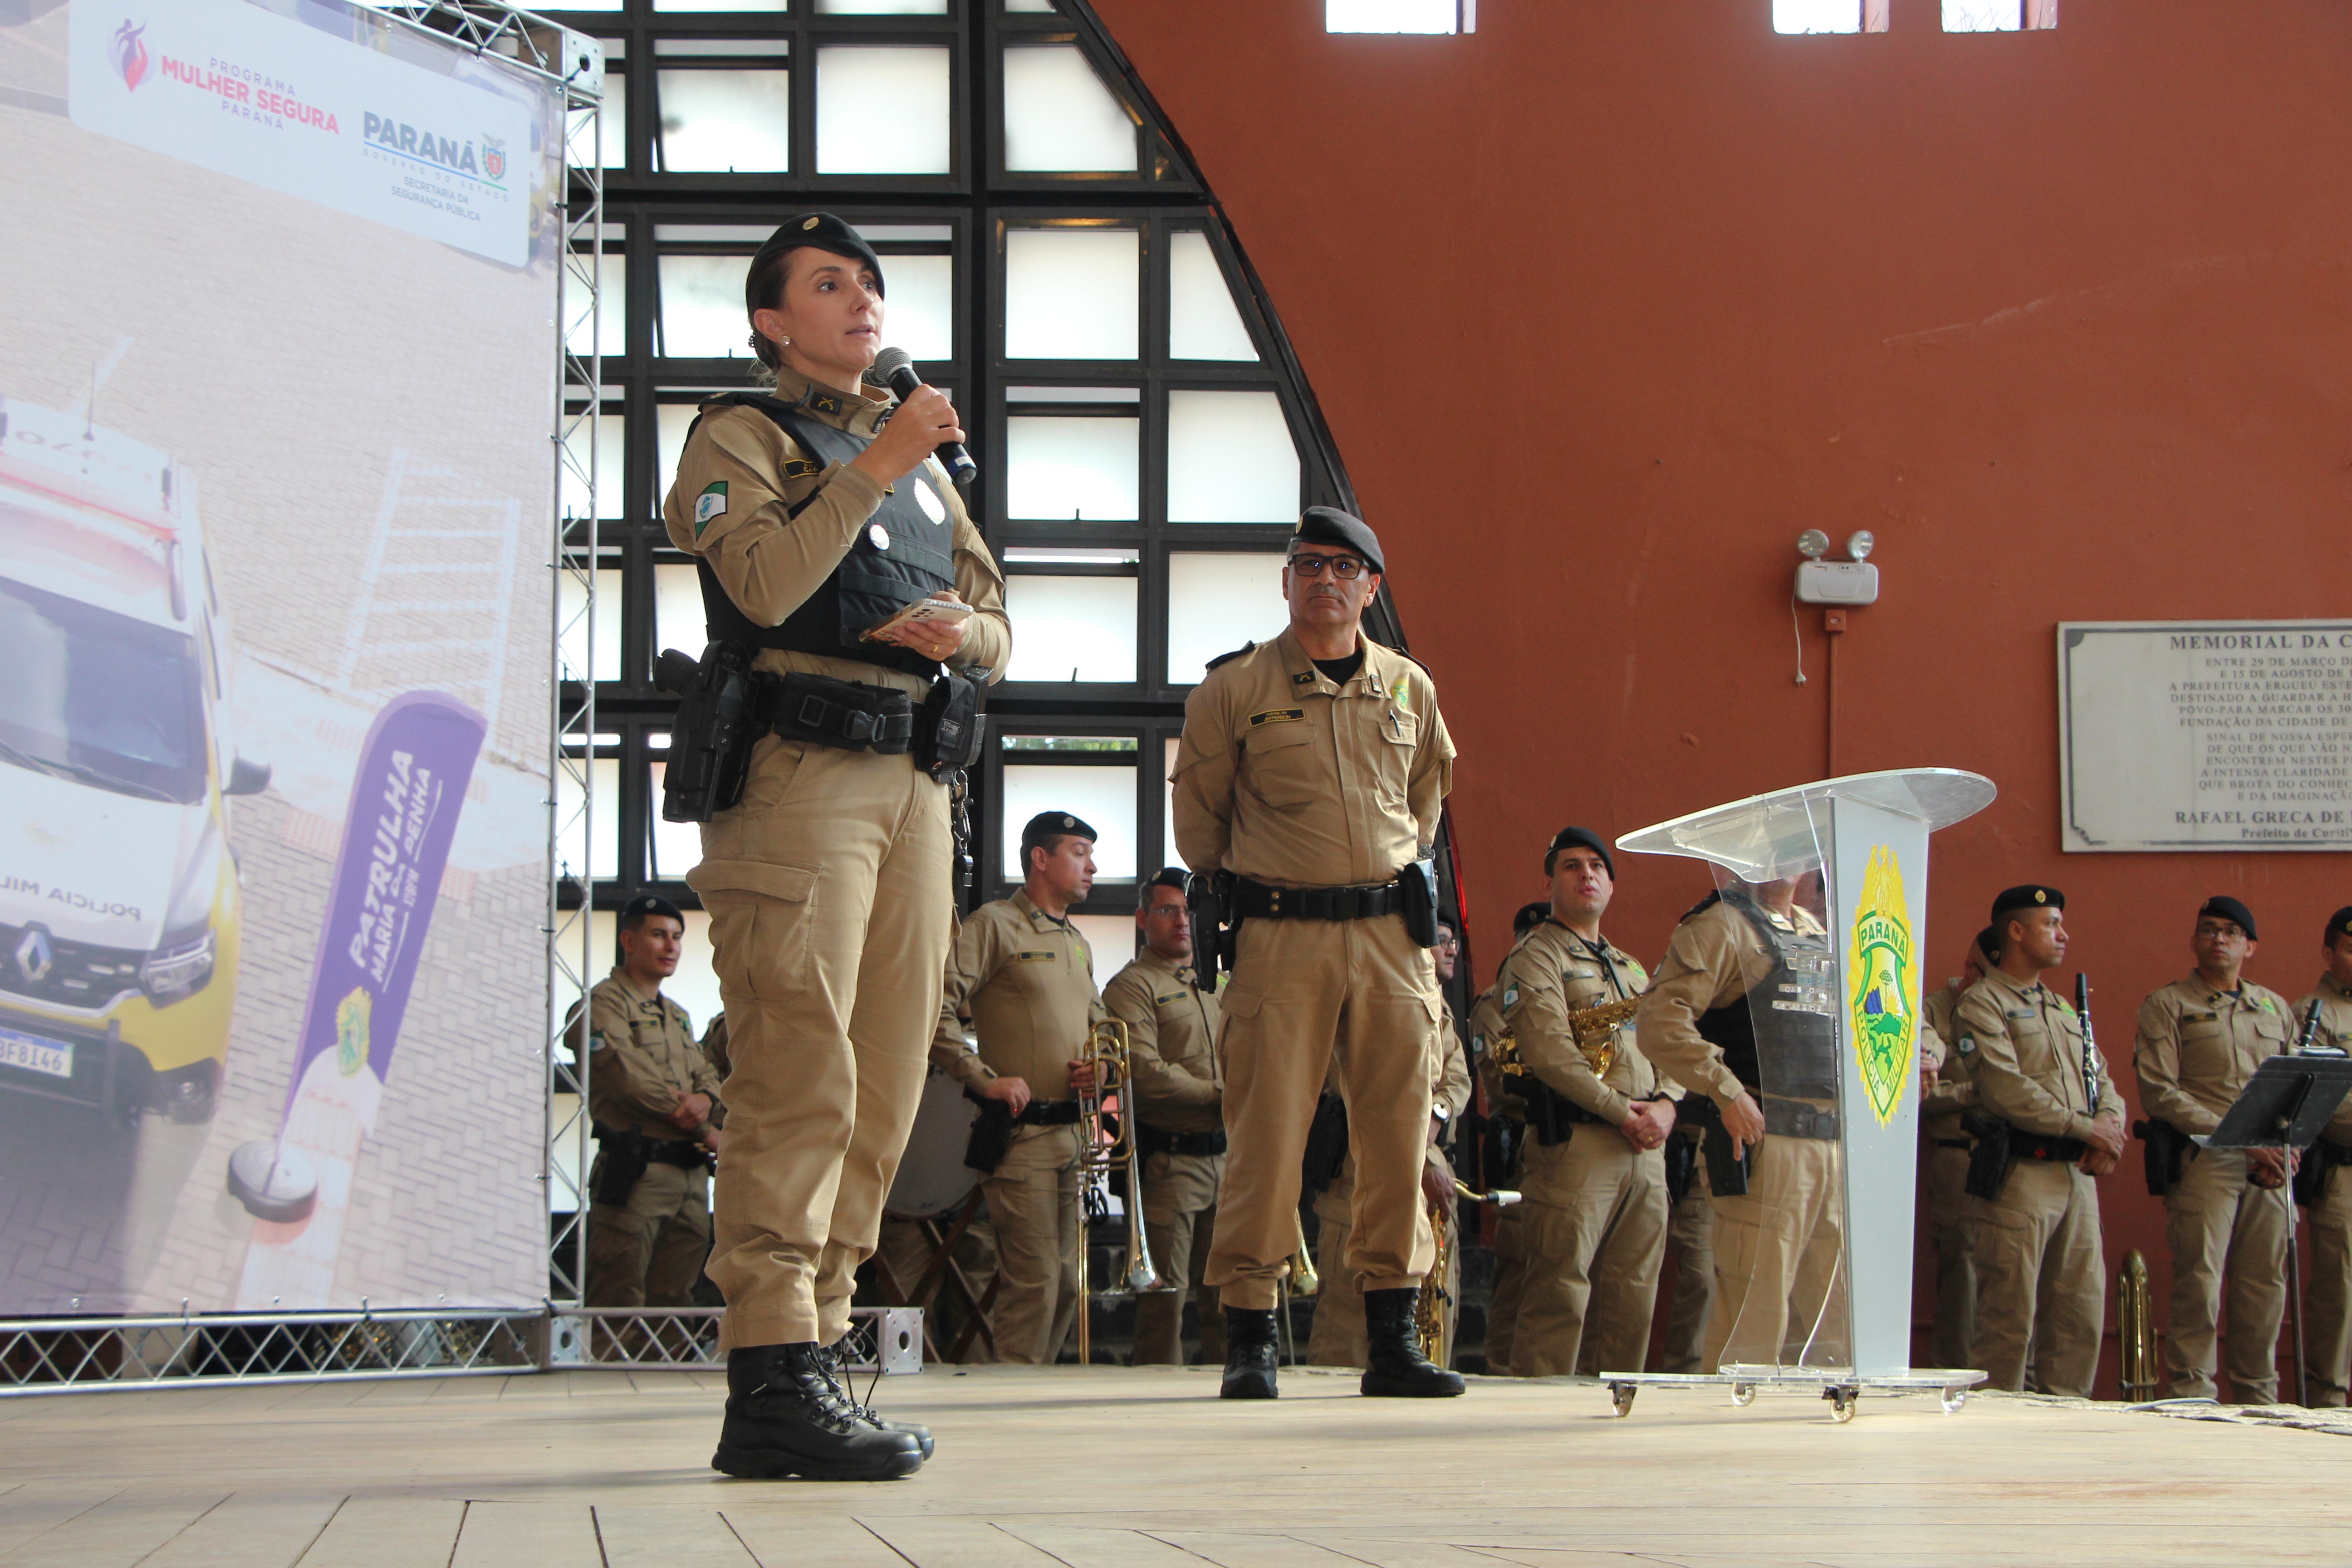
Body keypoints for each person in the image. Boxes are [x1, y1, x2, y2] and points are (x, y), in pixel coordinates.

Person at [666, 213, 1010, 1480]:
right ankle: (767, 1364)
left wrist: (957, 636)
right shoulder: (740, 435)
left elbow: (998, 620)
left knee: (883, 1078)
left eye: (869, 281)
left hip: (916, 782)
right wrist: (877, 463)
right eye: (827, 283)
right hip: (799, 776)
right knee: (799, 1066)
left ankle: (816, 1345)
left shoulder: (915, 456)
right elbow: (763, 583)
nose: (861, 298)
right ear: (772, 321)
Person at [1172, 505, 1461, 1400]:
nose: (1325, 580)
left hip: (1389, 939)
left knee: (1397, 1133)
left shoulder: (1408, 687)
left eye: (1343, 567)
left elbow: (1427, 798)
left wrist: (1382, 869)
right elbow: (1200, 826)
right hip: (1281, 934)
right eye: (1309, 565)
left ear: (1370, 587)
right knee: (1267, 1135)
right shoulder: (1233, 689)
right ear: (1286, 581)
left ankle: (1394, 1339)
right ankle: (1250, 1333)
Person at [1636, 868, 1845, 1372]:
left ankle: (1822, 1421)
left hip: (1833, 1145)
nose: (1779, 860)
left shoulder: (1816, 931)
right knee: (1754, 1316)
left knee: (1834, 1323)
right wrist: (1724, 1090)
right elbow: (1660, 1021)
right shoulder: (1722, 925)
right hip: (1765, 1139)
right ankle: (1735, 1420)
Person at [1490, 827, 1675, 1378]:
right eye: (1571, 866)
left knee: (1631, 1298)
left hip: (1646, 1148)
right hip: (1580, 1145)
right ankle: (1541, 1419)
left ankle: (1612, 1412)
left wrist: (1668, 1105)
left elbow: (1670, 1041)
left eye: (1597, 866)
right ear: (1549, 882)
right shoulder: (1537, 956)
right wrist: (1622, 1112)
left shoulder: (1629, 966)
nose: (1586, 875)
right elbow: (1550, 1053)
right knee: (1559, 1295)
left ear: (1612, 886)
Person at [931, 812, 1107, 1366]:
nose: (1092, 867)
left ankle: (1036, 1389)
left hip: (1073, 1136)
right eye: (1079, 852)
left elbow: (1101, 1029)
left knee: (1067, 1285)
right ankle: (1010, 1396)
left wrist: (1101, 1069)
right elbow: (933, 1013)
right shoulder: (994, 926)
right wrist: (984, 1080)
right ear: (1040, 858)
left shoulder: (1077, 942)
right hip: (1022, 1138)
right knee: (1034, 1283)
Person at [1951, 887, 2125, 1396]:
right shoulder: (1983, 1003)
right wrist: (2086, 1128)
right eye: (2051, 924)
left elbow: (2102, 1077)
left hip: (2077, 1176)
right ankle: (2000, 1431)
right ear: (2017, 931)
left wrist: (2109, 1129)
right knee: (2008, 1322)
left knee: (2079, 1317)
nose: (2063, 934)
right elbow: (2005, 1088)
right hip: (2021, 1176)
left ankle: (2066, 1425)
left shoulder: (2062, 1007)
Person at [2134, 895, 2297, 1403]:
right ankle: (2192, 1396)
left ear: (2251, 946)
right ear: (2194, 941)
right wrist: (2242, 1140)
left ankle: (2258, 1397)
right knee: (2200, 1283)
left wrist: (2291, 1148)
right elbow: (2160, 1091)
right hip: (2206, 1160)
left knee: (2265, 1286)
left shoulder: (2274, 1007)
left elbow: (2297, 1086)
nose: (2218, 939)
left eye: (2230, 932)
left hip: (2269, 1167)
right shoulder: (2168, 1004)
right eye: (2208, 929)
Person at [1306, 976, 1473, 1370]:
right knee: (1346, 1331)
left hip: (1431, 1170)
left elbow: (1456, 1077)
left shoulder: (1431, 992)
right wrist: (1424, 1157)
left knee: (1433, 1315)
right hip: (1360, 1177)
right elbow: (1364, 1088)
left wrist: (1437, 1116)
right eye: (1442, 944)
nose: (1447, 949)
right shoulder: (1356, 981)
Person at [1102, 868, 1227, 1367]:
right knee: (1163, 1309)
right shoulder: (1131, 987)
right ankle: (1153, 1403)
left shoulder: (1218, 982)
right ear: (1142, 919)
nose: (1182, 922)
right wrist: (1223, 1096)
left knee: (1230, 1303)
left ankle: (1237, 1392)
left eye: (1189, 911)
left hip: (1227, 1162)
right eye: (1168, 910)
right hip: (1169, 1165)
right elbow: (1146, 1072)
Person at [582, 895, 724, 1316]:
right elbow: (630, 1080)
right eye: (659, 935)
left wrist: (707, 1099)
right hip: (637, 1171)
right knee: (618, 1295)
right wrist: (704, 1128)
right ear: (629, 940)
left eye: (677, 937)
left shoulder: (677, 1015)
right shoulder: (603, 1004)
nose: (671, 946)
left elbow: (706, 1072)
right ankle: (609, 1362)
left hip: (689, 1176)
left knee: (675, 1302)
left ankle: (668, 1361)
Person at [1919, 926, 1998, 1371]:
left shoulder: (2023, 1007)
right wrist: (1978, 1092)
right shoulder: (1932, 1011)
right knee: (1962, 1278)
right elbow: (1918, 1092)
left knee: (2014, 1279)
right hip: (1959, 1155)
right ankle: (1956, 1376)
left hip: (2014, 1158)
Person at [2294, 907, 2352, 1405]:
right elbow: (2326, 1100)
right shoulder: (2312, 1013)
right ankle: (2330, 1403)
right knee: (2339, 1296)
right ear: (2329, 955)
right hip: (2343, 1171)